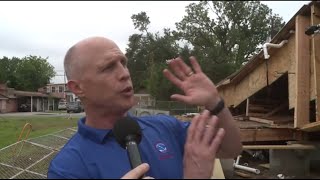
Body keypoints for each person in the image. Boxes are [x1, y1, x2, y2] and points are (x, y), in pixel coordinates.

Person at [48, 37, 242, 179]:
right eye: (108, 67)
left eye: (123, 63)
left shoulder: (165, 127)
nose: (124, 73)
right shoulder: (67, 168)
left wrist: (216, 103)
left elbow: (231, 149)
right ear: (77, 88)